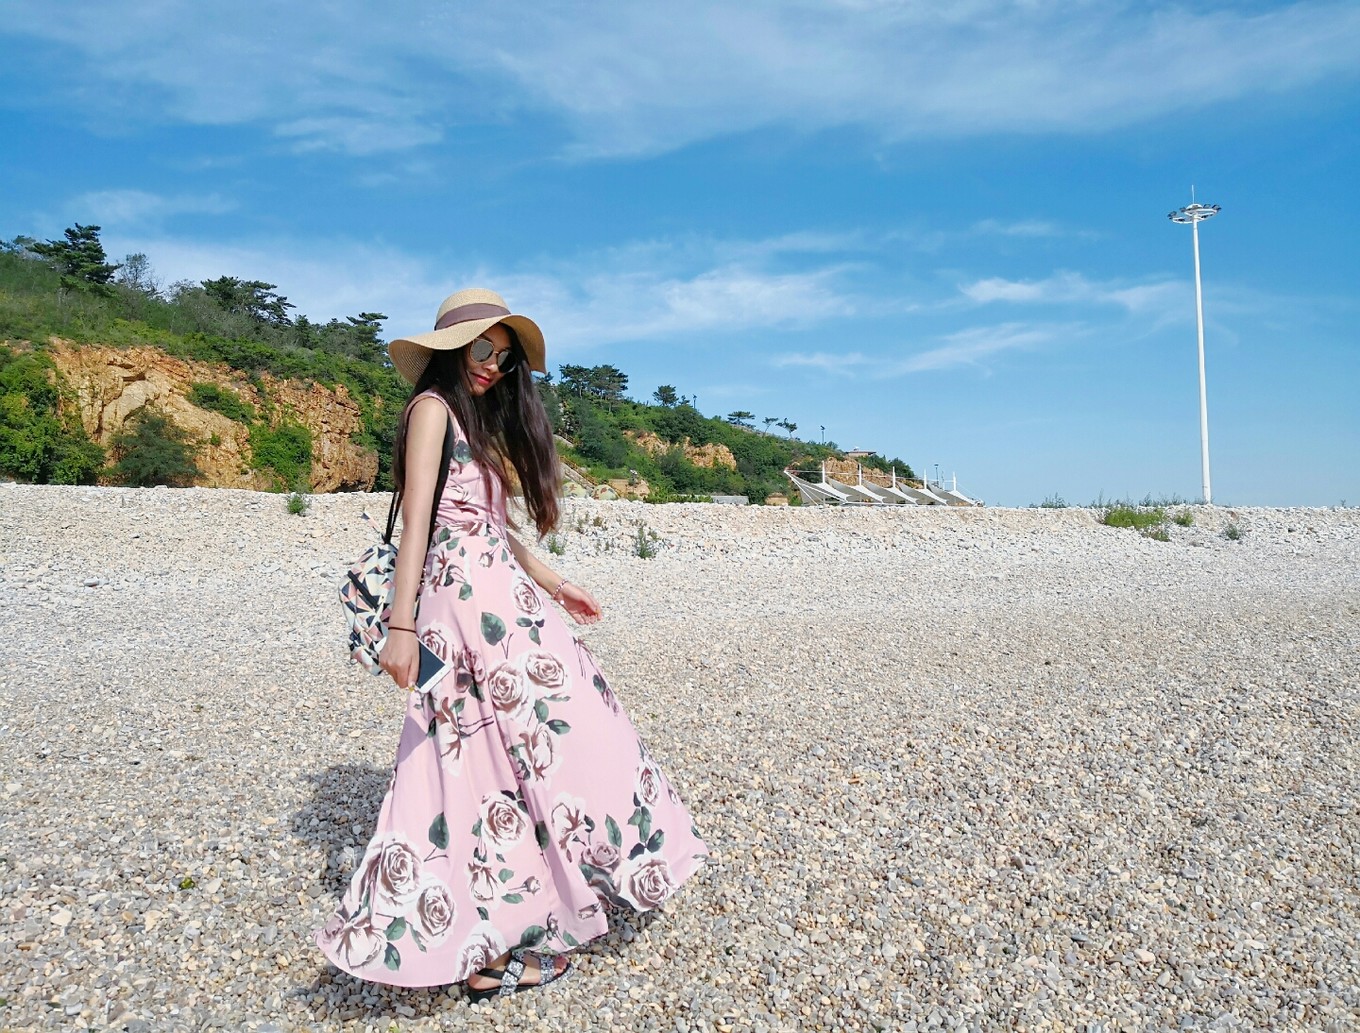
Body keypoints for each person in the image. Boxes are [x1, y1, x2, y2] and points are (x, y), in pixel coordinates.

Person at [315, 289, 708, 1002]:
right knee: (471, 766)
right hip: (463, 611)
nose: (492, 365)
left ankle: (521, 918)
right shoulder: (431, 411)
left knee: (538, 747)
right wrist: (400, 626)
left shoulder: (476, 421)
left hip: (509, 606)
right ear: (450, 348)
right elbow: (420, 525)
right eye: (481, 349)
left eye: (503, 356)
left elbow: (493, 530)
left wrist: (557, 583)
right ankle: (487, 948)